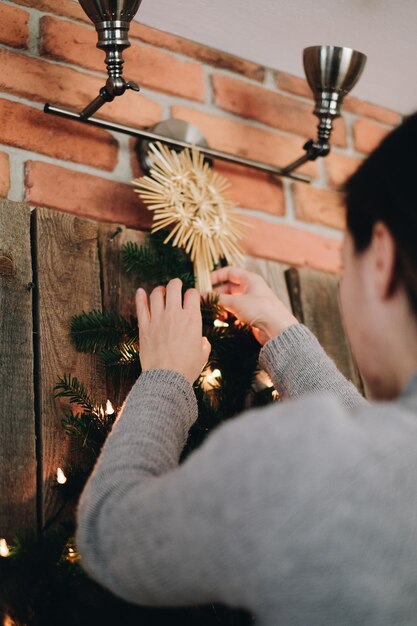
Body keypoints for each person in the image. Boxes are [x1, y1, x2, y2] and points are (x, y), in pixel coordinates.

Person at [76, 113, 417, 625]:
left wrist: (165, 379)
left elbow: (110, 535)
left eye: (348, 263)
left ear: (383, 259)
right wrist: (282, 332)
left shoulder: (300, 463)